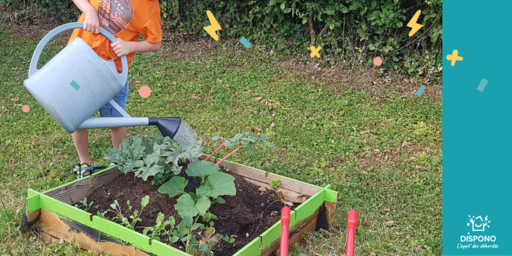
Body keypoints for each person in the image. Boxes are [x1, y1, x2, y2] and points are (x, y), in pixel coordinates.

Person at [69, 0, 162, 178]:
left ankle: (118, 164)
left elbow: (155, 43)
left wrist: (130, 46)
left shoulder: (150, 6)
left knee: (116, 120)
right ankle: (84, 163)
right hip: (78, 60)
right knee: (77, 116)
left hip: (113, 71)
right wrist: (88, 10)